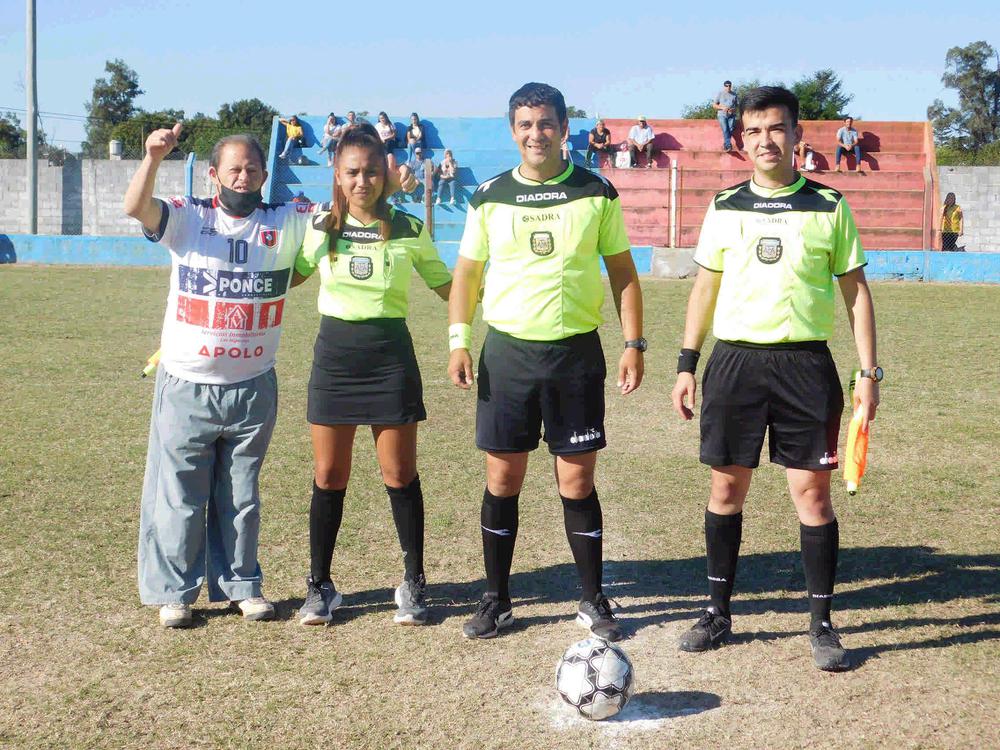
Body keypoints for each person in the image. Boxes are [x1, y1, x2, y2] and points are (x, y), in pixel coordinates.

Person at [669, 86, 880, 672]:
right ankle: (716, 612)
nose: (766, 140)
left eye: (777, 129)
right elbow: (704, 289)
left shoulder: (829, 206)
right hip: (735, 364)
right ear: (742, 138)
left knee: (811, 494)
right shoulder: (725, 206)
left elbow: (856, 294)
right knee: (725, 490)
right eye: (755, 130)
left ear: (796, 135)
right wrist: (687, 364)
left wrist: (868, 372)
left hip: (806, 367)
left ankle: (822, 623)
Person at [448, 82, 645, 642]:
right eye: (526, 124)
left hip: (575, 354)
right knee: (503, 477)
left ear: (564, 127)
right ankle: (497, 599)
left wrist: (634, 344)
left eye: (546, 123)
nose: (537, 134)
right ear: (513, 131)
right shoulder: (488, 197)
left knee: (577, 481)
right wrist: (458, 339)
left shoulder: (595, 192)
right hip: (507, 355)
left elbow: (623, 274)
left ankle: (592, 598)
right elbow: (466, 274)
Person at [125, 125, 314, 628]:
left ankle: (242, 585)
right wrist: (152, 158)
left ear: (264, 175)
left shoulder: (287, 218)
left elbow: (339, 217)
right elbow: (135, 208)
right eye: (234, 168)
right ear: (214, 175)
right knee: (180, 495)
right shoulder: (188, 216)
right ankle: (175, 593)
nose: (244, 177)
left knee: (242, 495)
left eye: (252, 169)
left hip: (253, 384)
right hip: (187, 382)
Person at [293, 123, 451, 627]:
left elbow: (449, 286)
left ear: (386, 173)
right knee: (328, 475)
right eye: (352, 173)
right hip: (335, 361)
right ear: (338, 176)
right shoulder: (320, 228)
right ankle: (320, 586)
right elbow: (285, 276)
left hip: (390, 361)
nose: (363, 181)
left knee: (399, 475)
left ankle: (413, 580)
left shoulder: (408, 229)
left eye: (371, 171)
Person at [713, 81, 739, 152]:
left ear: (731, 86)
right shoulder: (720, 94)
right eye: (726, 86)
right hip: (722, 115)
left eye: (729, 85)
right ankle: (728, 145)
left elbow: (737, 106)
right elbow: (714, 105)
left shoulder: (734, 95)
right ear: (724, 86)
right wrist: (722, 108)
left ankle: (726, 144)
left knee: (731, 129)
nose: (728, 87)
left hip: (731, 115)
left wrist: (733, 109)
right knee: (725, 129)